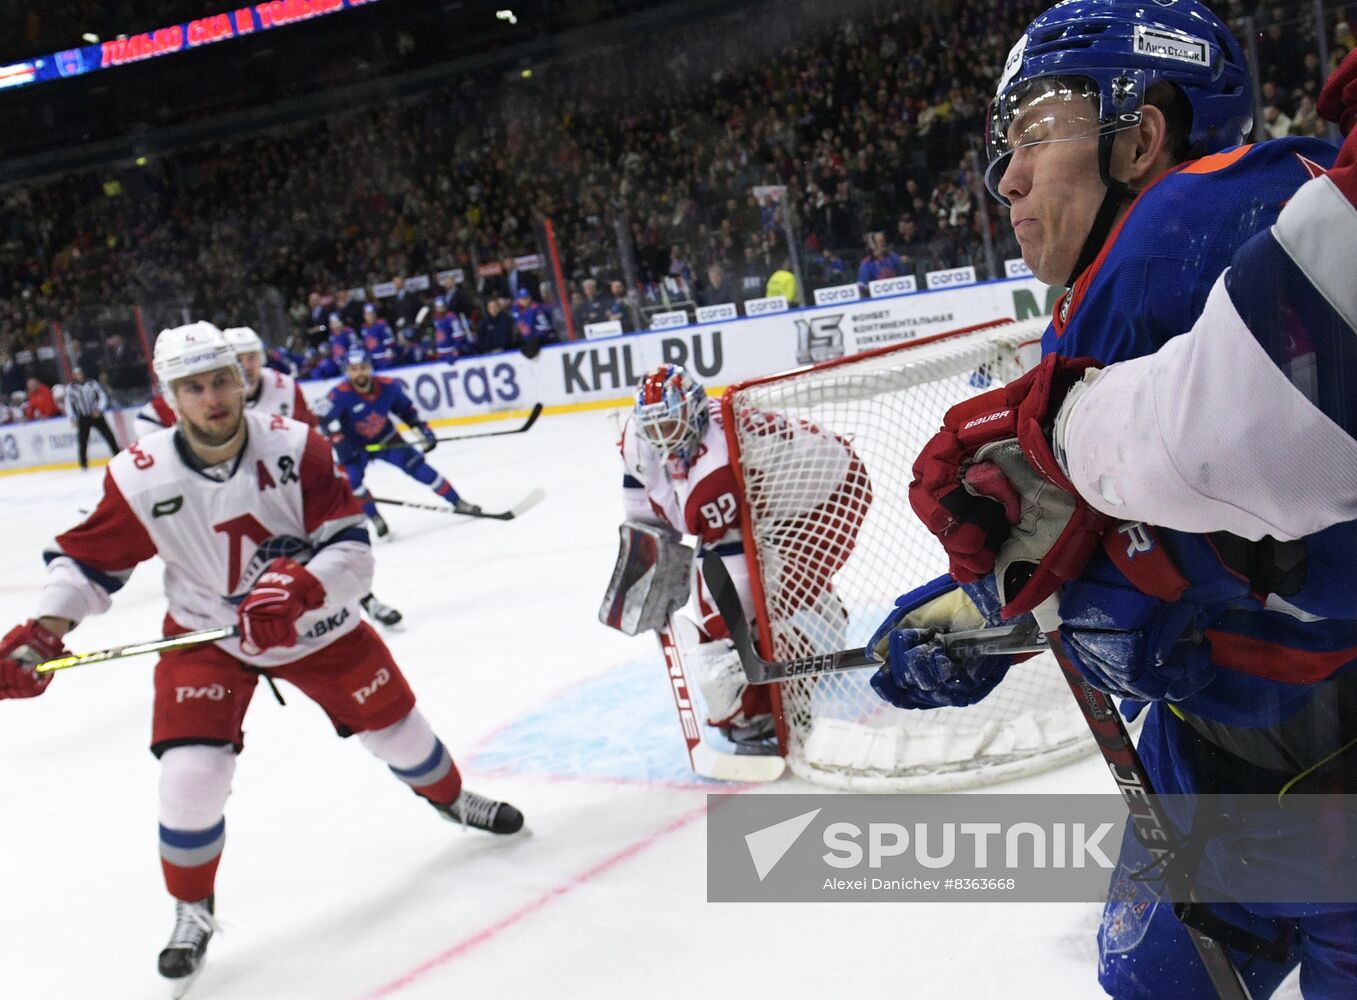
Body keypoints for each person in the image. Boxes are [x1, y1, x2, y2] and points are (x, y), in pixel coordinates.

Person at [873, 3, 1354, 997]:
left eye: (1039, 132)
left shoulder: (1192, 229)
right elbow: (1141, 521)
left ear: (1141, 134)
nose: (1006, 178)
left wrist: (1085, 589)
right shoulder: (1126, 283)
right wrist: (992, 606)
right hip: (1207, 776)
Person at [0, 323, 522, 989]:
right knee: (190, 778)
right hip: (208, 635)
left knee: (399, 734)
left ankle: (453, 800)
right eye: (194, 387)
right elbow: (86, 563)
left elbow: (352, 550)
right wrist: (43, 632)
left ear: (242, 379)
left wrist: (301, 585)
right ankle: (192, 908)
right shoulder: (138, 474)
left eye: (222, 379)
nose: (213, 396)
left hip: (318, 628)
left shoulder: (297, 445)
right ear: (170, 397)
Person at [619, 363, 872, 746]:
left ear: (695, 413)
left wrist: (727, 636)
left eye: (668, 425)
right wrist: (642, 561)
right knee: (752, 601)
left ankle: (775, 696)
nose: (660, 437)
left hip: (828, 496)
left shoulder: (715, 468)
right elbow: (643, 510)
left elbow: (717, 553)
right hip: (766, 496)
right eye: (652, 427)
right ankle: (819, 621)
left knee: (758, 606)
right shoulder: (640, 440)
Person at [136, 325, 404, 628]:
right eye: (240, 358)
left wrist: (327, 479)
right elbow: (150, 430)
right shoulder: (202, 395)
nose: (247, 365)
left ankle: (366, 602)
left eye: (252, 357)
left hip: (286, 495)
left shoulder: (284, 387)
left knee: (327, 552)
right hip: (228, 506)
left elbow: (309, 438)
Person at [321, 347, 483, 538]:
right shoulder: (337, 395)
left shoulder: (389, 386)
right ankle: (375, 518)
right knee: (352, 483)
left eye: (363, 367)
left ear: (370, 367)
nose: (359, 373)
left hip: (387, 439)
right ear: (347, 372)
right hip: (354, 448)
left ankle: (458, 501)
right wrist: (343, 447)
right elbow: (326, 423)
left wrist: (423, 431)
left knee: (419, 467)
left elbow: (406, 411)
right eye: (354, 369)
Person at [64, 367, 119, 470]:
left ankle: (117, 455)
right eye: (76, 374)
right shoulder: (71, 388)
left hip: (96, 415)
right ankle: (83, 462)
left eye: (80, 373)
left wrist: (99, 409)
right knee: (83, 440)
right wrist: (72, 418)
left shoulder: (92, 383)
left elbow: (102, 396)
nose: (78, 376)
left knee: (109, 435)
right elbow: (69, 404)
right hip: (83, 417)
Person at [511, 287, 557, 358]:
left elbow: (546, 327)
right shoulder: (516, 309)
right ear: (518, 300)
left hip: (542, 338)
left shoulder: (537, 309)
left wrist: (536, 336)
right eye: (522, 299)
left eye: (526, 298)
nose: (525, 301)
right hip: (527, 338)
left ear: (530, 298)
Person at [431, 296, 476, 361]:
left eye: (441, 306)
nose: (439, 309)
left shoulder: (451, 318)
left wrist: (456, 349)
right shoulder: (435, 318)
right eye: (438, 307)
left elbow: (458, 335)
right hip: (441, 353)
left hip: (450, 352)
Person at [360, 303, 397, 370]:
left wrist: (389, 350)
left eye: (371, 314)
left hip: (384, 358)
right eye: (367, 314)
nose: (369, 316)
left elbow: (389, 339)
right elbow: (365, 343)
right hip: (372, 360)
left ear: (375, 314)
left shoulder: (382, 324)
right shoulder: (364, 327)